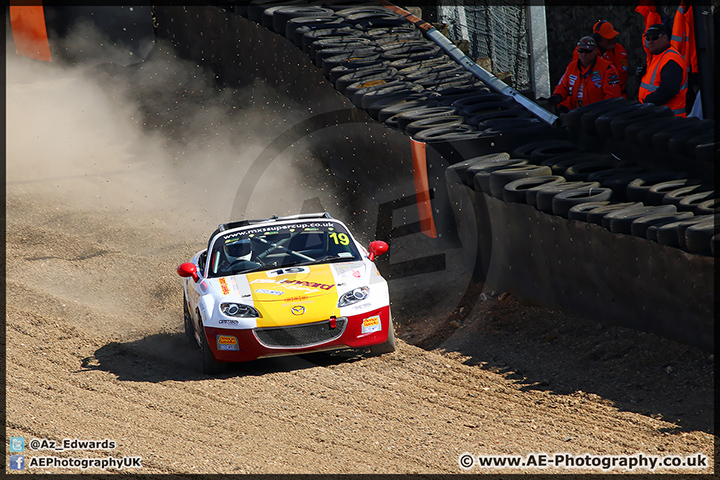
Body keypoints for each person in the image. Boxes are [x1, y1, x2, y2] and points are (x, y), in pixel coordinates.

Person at [548, 36, 622, 112]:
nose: (584, 54)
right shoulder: (572, 67)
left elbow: (613, 97)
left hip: (598, 114)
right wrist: (557, 96)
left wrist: (598, 112)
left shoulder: (608, 68)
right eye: (581, 51)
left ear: (595, 51)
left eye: (587, 51)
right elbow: (563, 87)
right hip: (576, 113)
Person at [637, 24, 687, 117]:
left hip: (668, 118)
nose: (650, 41)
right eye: (648, 38)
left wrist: (647, 101)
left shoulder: (671, 59)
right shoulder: (655, 56)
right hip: (656, 115)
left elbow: (668, 90)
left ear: (665, 38)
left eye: (654, 38)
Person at [571, 20, 628, 97]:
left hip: (613, 97)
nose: (612, 40)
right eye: (608, 38)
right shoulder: (581, 51)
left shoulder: (618, 49)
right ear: (597, 39)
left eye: (613, 37)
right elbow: (576, 75)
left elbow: (621, 77)